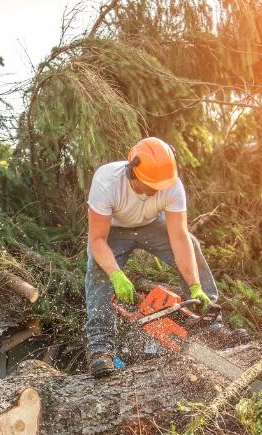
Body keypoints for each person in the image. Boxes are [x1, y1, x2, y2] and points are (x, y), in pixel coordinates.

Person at [85, 137, 219, 378]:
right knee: (98, 270)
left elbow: (178, 237)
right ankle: (101, 348)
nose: (154, 190)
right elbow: (97, 240)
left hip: (151, 225)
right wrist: (116, 275)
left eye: (158, 186)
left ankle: (208, 320)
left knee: (192, 245)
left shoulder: (171, 185)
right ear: (132, 171)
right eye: (149, 185)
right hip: (113, 230)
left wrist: (195, 285)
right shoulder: (107, 181)